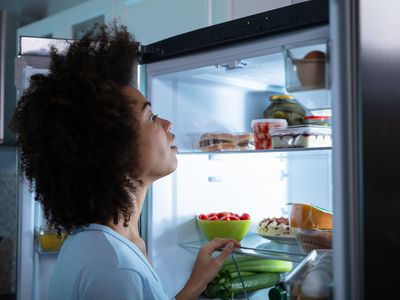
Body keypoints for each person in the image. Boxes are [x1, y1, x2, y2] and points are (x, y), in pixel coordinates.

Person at [10, 22, 240, 300]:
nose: (166, 123)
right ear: (114, 148)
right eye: (151, 117)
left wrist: (196, 284)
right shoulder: (114, 268)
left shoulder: (108, 243)